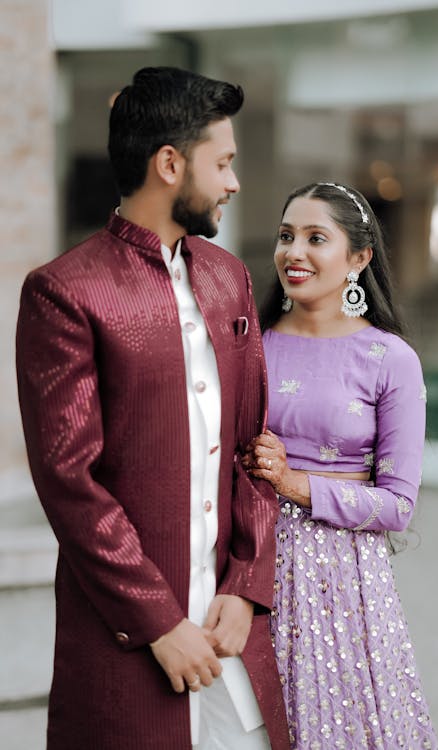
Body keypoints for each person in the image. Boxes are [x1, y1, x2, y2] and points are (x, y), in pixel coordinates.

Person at [16, 66, 289, 750]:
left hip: (233, 638)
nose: (232, 182)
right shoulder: (66, 293)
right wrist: (158, 622)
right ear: (170, 164)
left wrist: (248, 583)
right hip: (129, 642)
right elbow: (69, 481)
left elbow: (257, 445)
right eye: (221, 163)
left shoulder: (229, 278)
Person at [243, 182, 438, 749]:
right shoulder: (251, 345)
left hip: (343, 581)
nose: (293, 252)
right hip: (247, 561)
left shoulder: (389, 359)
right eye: (285, 236)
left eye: (314, 238)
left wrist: (295, 482)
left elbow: (398, 505)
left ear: (359, 258)